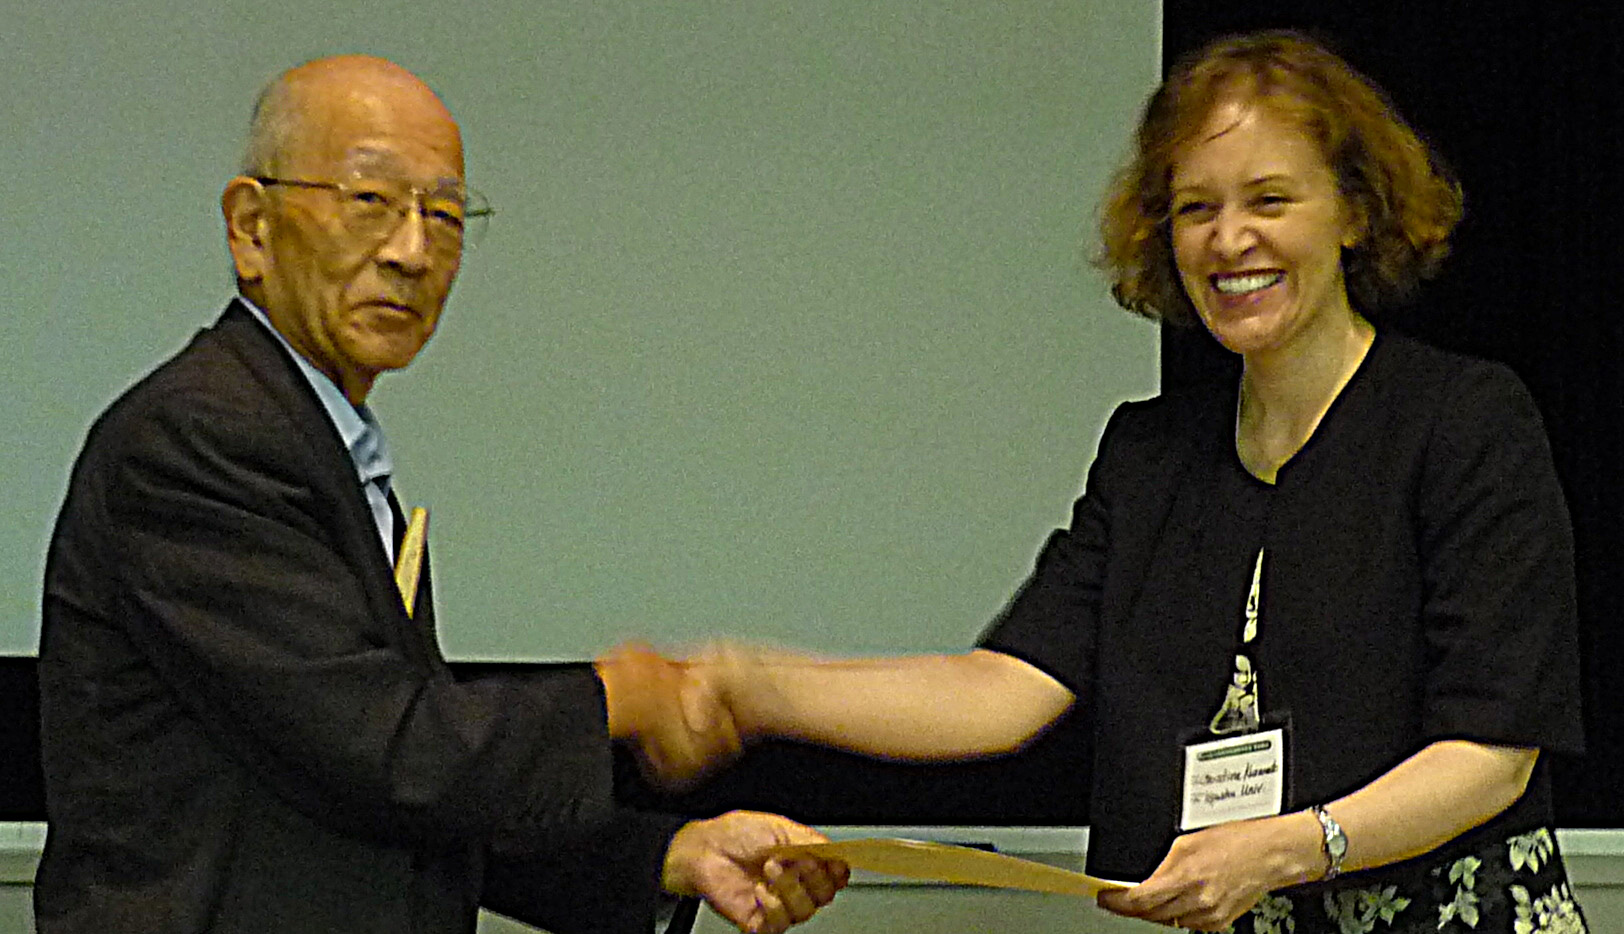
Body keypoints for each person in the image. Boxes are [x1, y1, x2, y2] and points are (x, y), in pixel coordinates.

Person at [677, 31, 1589, 933]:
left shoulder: (1464, 422)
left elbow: (1494, 752)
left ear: (1353, 212)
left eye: (1270, 199)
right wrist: (751, 687)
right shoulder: (1149, 455)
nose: (1230, 239)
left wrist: (1284, 849)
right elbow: (1001, 691)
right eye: (1196, 208)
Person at [35, 55, 844, 934]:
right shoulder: (198, 436)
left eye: (447, 216)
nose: (413, 252)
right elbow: (385, 751)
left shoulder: (316, 441)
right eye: (369, 200)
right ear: (251, 228)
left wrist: (669, 857)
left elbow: (389, 802)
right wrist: (624, 695)